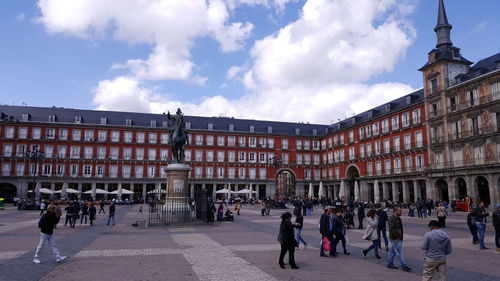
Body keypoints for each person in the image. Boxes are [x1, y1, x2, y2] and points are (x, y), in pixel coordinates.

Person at [386, 207, 411, 272]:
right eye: (400, 211)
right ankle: (404, 266)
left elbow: (400, 228)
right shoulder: (391, 218)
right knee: (399, 252)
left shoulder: (399, 218)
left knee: (393, 252)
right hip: (395, 238)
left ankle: (389, 263)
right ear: (395, 211)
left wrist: (401, 236)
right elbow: (391, 229)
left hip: (399, 237)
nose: (401, 212)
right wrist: (397, 236)